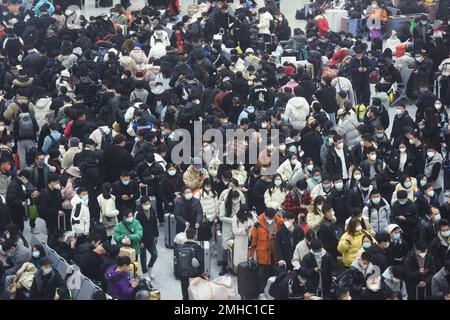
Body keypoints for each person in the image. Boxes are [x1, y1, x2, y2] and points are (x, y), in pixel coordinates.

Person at [249, 208, 284, 293]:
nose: (271, 220)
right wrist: (250, 256)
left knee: (276, 277)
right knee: (263, 277)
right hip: (263, 257)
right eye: (269, 218)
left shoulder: (280, 223)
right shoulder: (258, 225)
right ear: (265, 216)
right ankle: (262, 294)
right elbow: (253, 242)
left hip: (276, 256)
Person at [219, 188, 245, 275]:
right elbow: (221, 217)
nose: (236, 201)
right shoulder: (224, 203)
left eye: (237, 199)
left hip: (238, 226)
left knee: (237, 246)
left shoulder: (241, 201)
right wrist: (233, 220)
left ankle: (235, 266)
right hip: (227, 226)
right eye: (234, 199)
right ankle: (224, 266)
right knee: (226, 246)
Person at [177, 228, 205, 300]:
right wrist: (202, 273)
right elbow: (201, 262)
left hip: (183, 275)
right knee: (195, 295)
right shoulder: (198, 248)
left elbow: (177, 262)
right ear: (195, 236)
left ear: (186, 236)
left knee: (185, 295)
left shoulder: (180, 247)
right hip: (195, 275)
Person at [135, 196, 159, 279]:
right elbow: (137, 228)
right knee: (143, 257)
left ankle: (150, 267)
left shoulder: (152, 210)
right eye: (145, 204)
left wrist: (156, 235)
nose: (147, 205)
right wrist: (140, 241)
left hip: (151, 237)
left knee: (155, 254)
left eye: (148, 203)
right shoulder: (138, 214)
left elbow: (155, 223)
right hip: (142, 238)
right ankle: (144, 272)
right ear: (141, 204)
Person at [231, 205, 255, 271]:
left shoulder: (251, 215)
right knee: (241, 259)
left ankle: (249, 271)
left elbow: (256, 224)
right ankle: (241, 272)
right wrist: (244, 229)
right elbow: (234, 231)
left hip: (250, 239)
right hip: (241, 241)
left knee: (250, 257)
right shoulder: (235, 218)